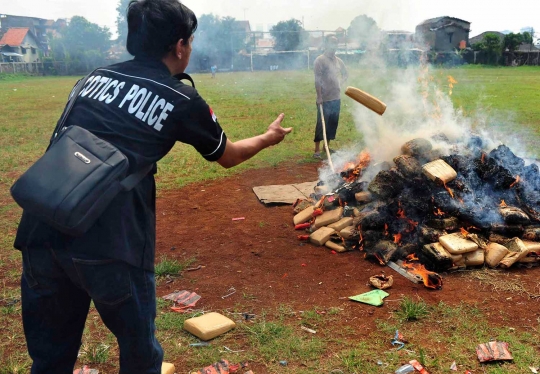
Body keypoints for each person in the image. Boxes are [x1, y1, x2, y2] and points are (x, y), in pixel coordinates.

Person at [14, 1, 292, 373]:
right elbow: (227, 155)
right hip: (111, 242)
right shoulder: (181, 97)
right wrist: (269, 137)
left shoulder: (92, 77)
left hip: (40, 230)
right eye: (190, 42)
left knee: (49, 359)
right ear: (180, 46)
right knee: (140, 356)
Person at [312, 34, 348, 159]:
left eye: (336, 42)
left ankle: (326, 147)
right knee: (321, 124)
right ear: (326, 44)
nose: (334, 45)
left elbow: (345, 74)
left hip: (336, 97)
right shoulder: (320, 60)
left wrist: (340, 84)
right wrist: (319, 96)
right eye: (332, 42)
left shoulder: (339, 61)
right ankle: (317, 150)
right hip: (325, 98)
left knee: (332, 123)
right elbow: (317, 80)